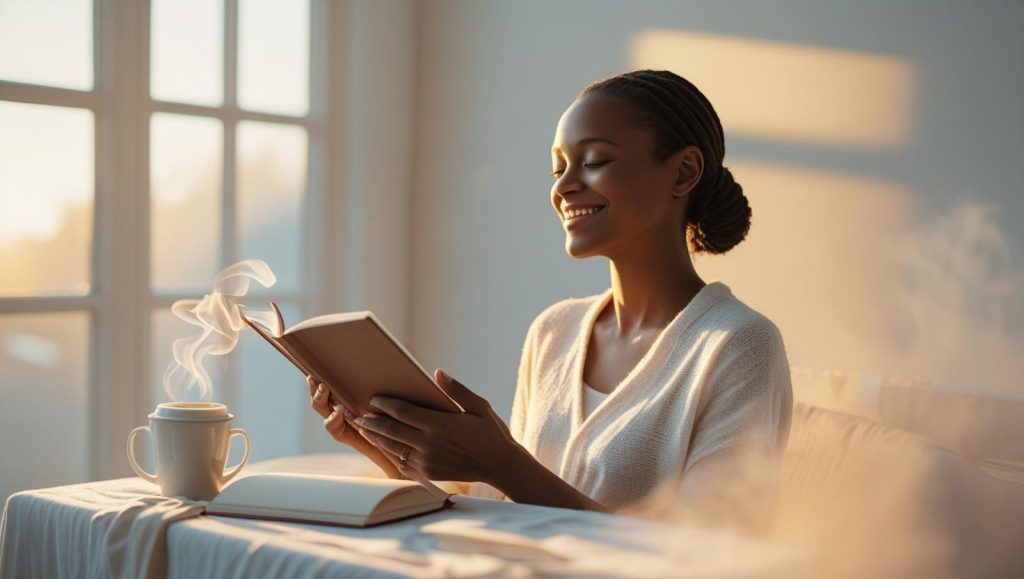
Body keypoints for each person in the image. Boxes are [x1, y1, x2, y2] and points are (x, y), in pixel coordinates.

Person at [308, 69, 793, 529]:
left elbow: (712, 555)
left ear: (683, 172)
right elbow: (502, 510)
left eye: (596, 160)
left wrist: (503, 461)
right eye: (558, 167)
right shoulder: (555, 330)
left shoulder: (738, 345)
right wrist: (390, 449)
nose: (563, 187)